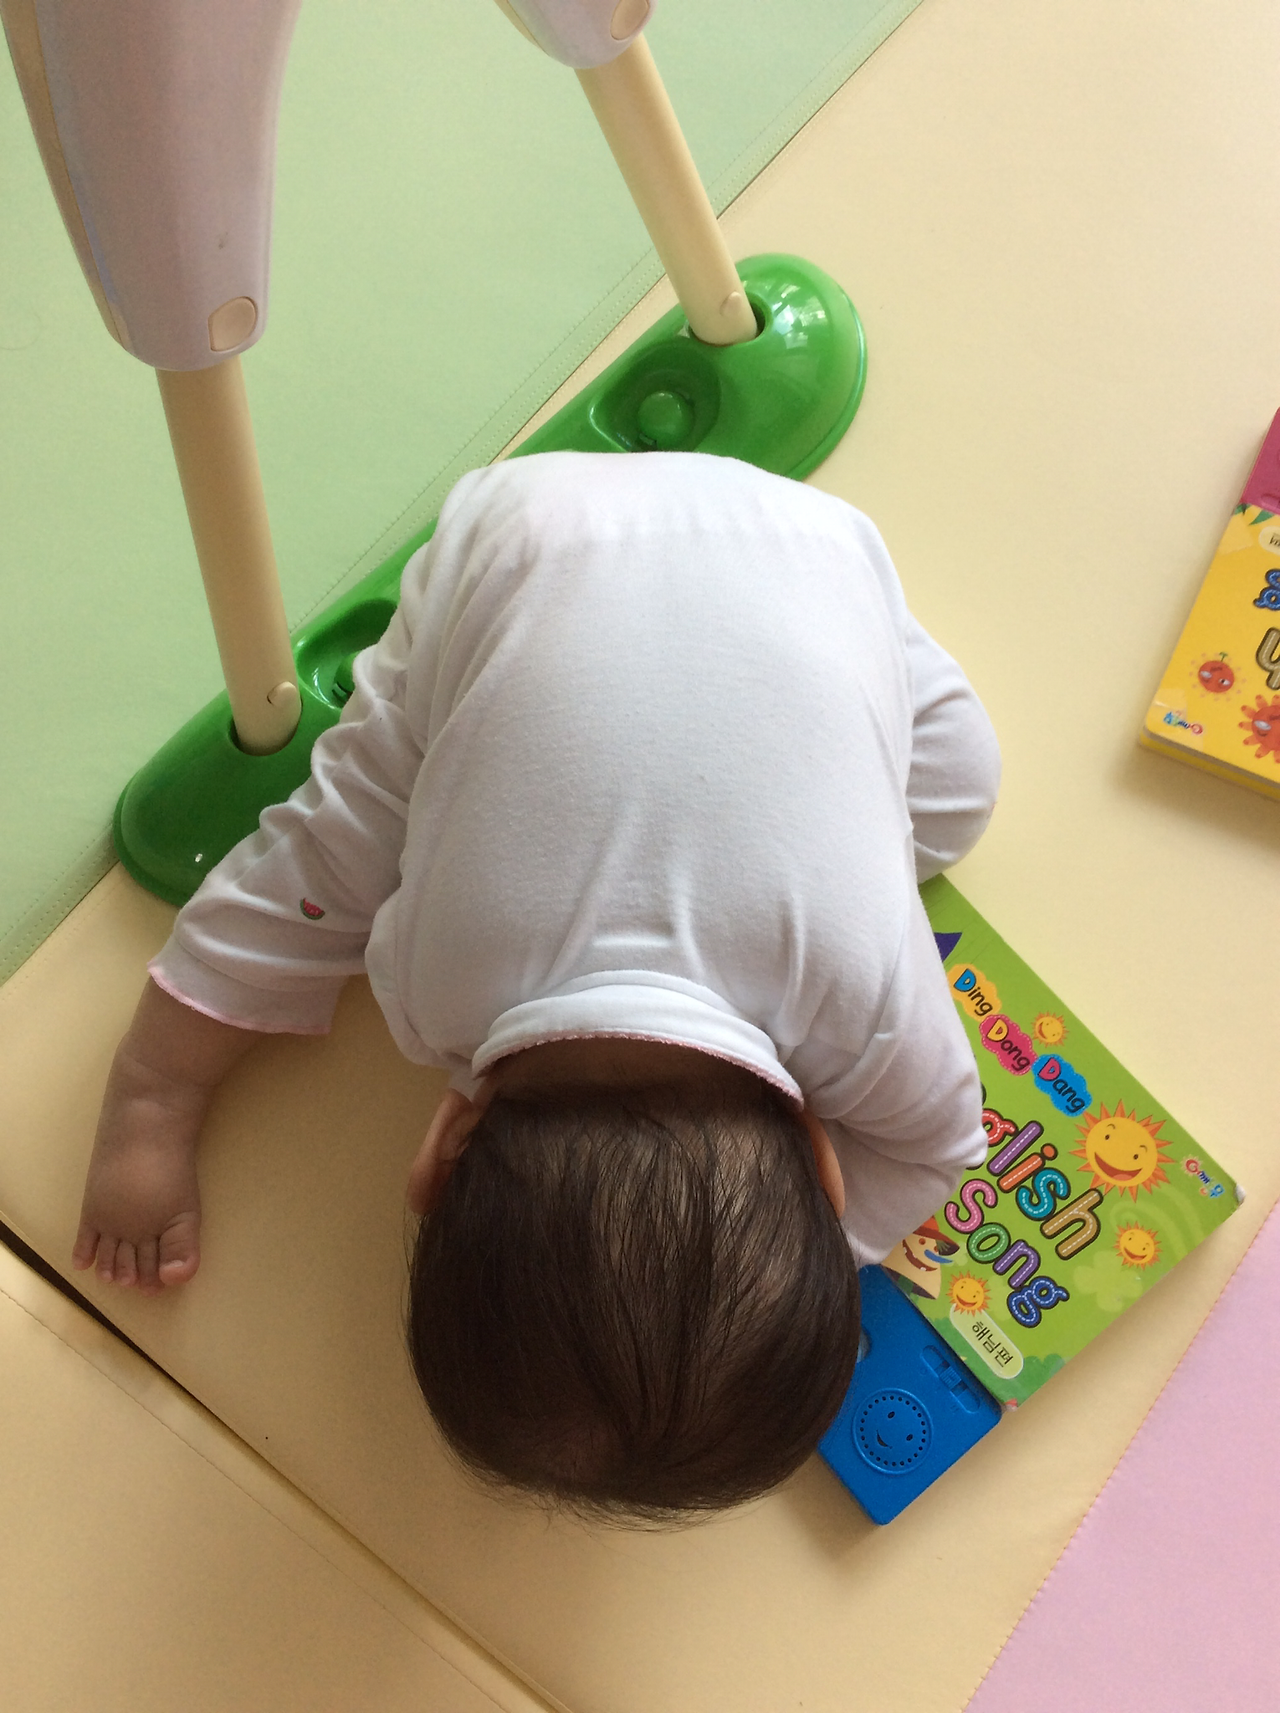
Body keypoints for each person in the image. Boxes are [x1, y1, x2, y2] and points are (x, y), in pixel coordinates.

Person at [73, 450, 1000, 1517]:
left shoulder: (865, 1003)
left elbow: (935, 1146)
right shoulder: (437, 986)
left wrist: (804, 1262)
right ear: (441, 1150)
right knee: (360, 835)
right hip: (524, 539)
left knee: (952, 797)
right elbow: (302, 895)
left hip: (811, 546)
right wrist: (152, 1103)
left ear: (822, 1162)